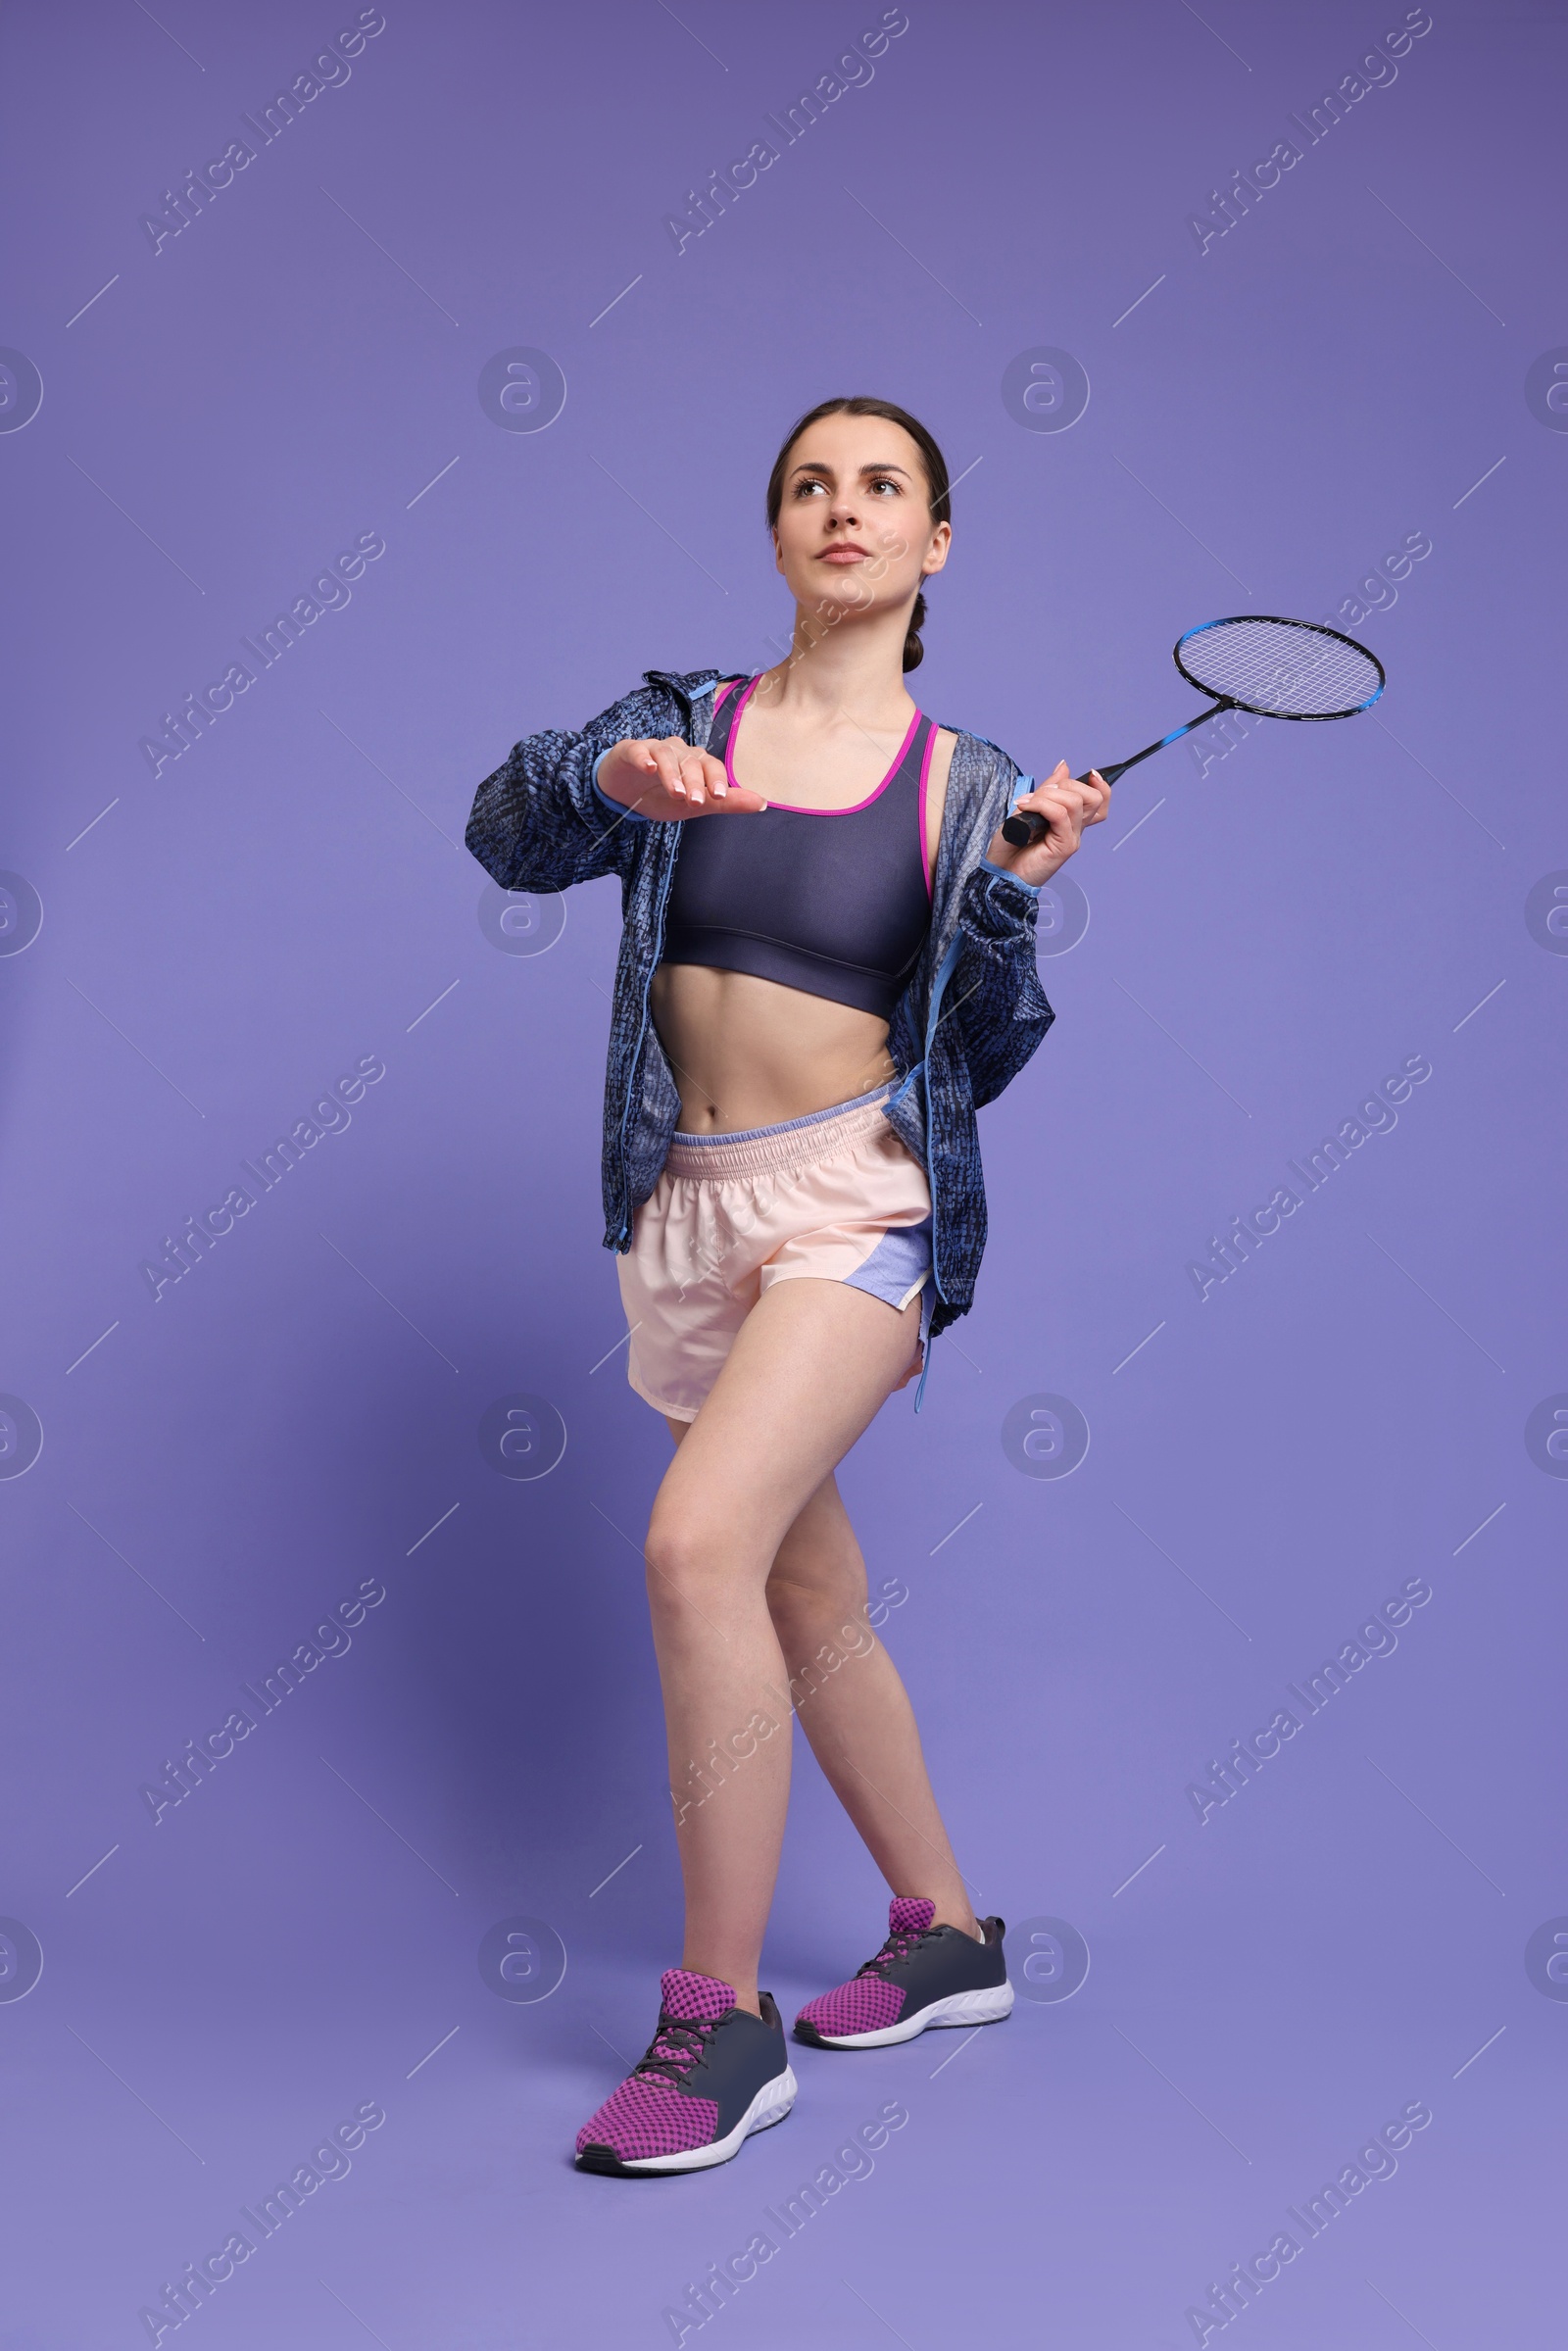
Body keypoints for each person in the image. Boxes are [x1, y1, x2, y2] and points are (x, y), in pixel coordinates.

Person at [465, 395, 1109, 2176]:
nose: (845, 509)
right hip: (684, 1208)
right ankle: (950, 1938)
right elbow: (500, 837)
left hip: (860, 1207)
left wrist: (1011, 903)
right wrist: (595, 782)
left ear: (935, 542)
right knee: (806, 1589)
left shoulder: (970, 780)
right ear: (776, 538)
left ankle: (719, 2025)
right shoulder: (679, 722)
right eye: (810, 486)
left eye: (882, 487)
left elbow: (980, 1054)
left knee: (695, 1547)